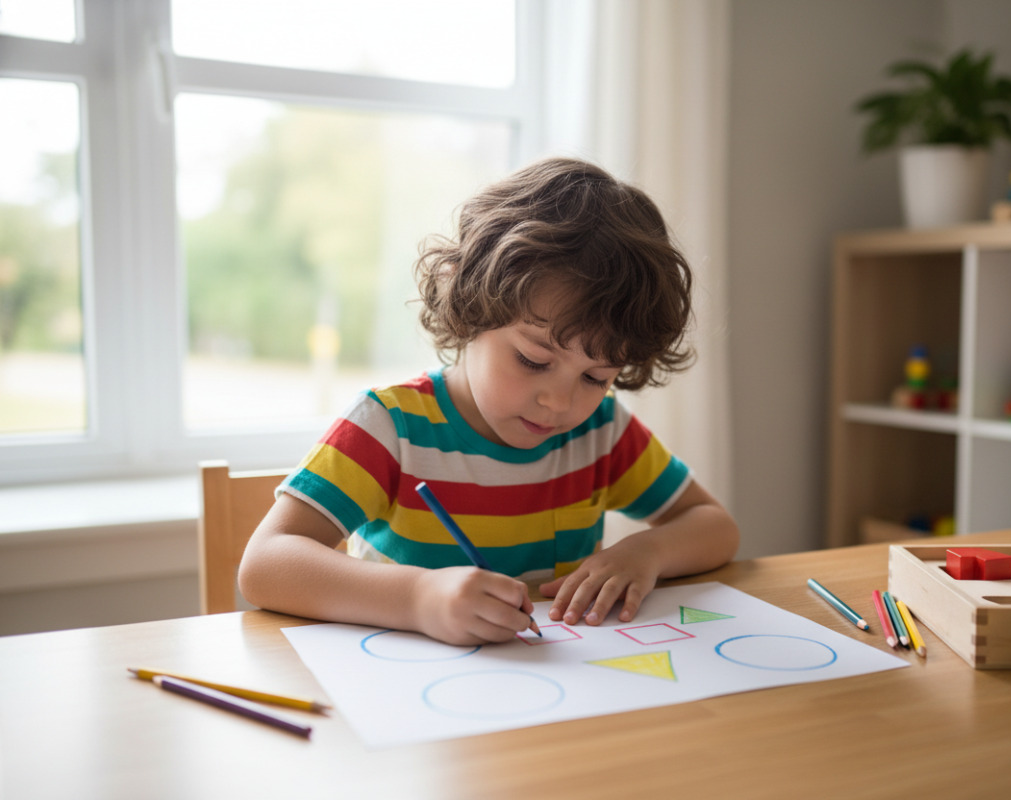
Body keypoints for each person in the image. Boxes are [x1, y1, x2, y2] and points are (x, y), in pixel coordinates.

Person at [239, 157, 739, 646]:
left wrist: (645, 552)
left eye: (595, 376)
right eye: (532, 360)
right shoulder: (391, 426)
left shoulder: (601, 433)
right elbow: (265, 564)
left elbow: (714, 527)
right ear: (467, 300)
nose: (558, 401)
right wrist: (418, 598)